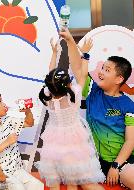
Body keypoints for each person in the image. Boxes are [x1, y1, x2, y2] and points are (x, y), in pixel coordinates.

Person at [65, 30, 134, 189]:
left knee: (132, 174)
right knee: (82, 179)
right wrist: (70, 40)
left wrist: (116, 166)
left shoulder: (130, 106)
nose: (100, 72)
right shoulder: (93, 91)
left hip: (123, 160)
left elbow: (131, 141)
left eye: (107, 70)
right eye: (102, 68)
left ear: (119, 79)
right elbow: (78, 69)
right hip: (96, 161)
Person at [35, 32, 105, 190]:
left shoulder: (47, 96)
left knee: (54, 182)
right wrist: (85, 55)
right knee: (72, 180)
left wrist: (54, 53)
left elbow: (50, 73)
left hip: (53, 139)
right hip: (73, 139)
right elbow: (82, 75)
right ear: (67, 85)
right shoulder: (73, 95)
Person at [0, 89, 44, 190]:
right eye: (0, 101)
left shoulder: (8, 120)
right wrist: (7, 142)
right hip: (2, 175)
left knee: (38, 186)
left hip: (18, 170)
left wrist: (27, 111)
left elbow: (29, 123)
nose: (4, 104)